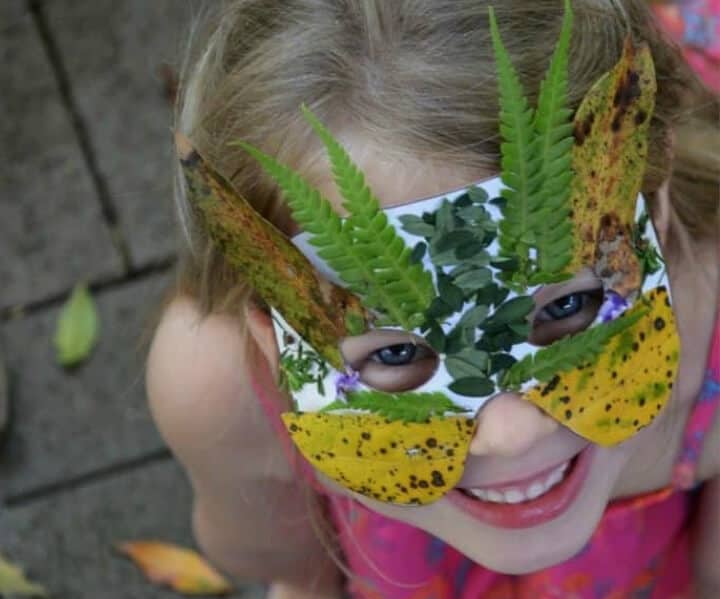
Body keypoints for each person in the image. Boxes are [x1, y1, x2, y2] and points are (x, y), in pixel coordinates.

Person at [146, 1, 720, 597]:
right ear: (271, 337)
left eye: (565, 308)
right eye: (396, 355)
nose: (512, 434)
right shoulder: (216, 393)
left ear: (655, 209)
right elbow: (284, 565)